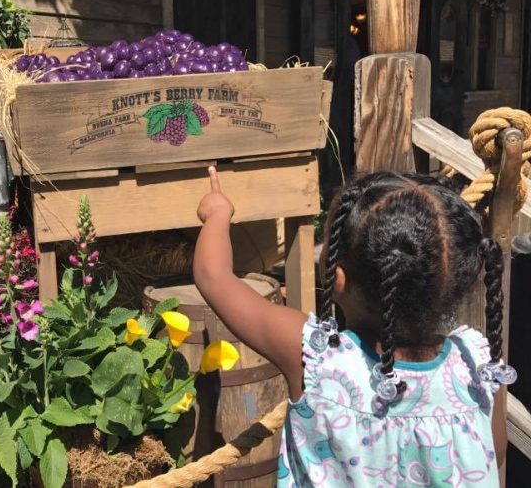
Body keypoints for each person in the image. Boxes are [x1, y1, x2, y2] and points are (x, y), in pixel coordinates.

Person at [194, 167, 516, 487]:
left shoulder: (317, 359)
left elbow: (214, 276)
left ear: (336, 277)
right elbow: (490, 454)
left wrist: (218, 213)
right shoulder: (479, 366)